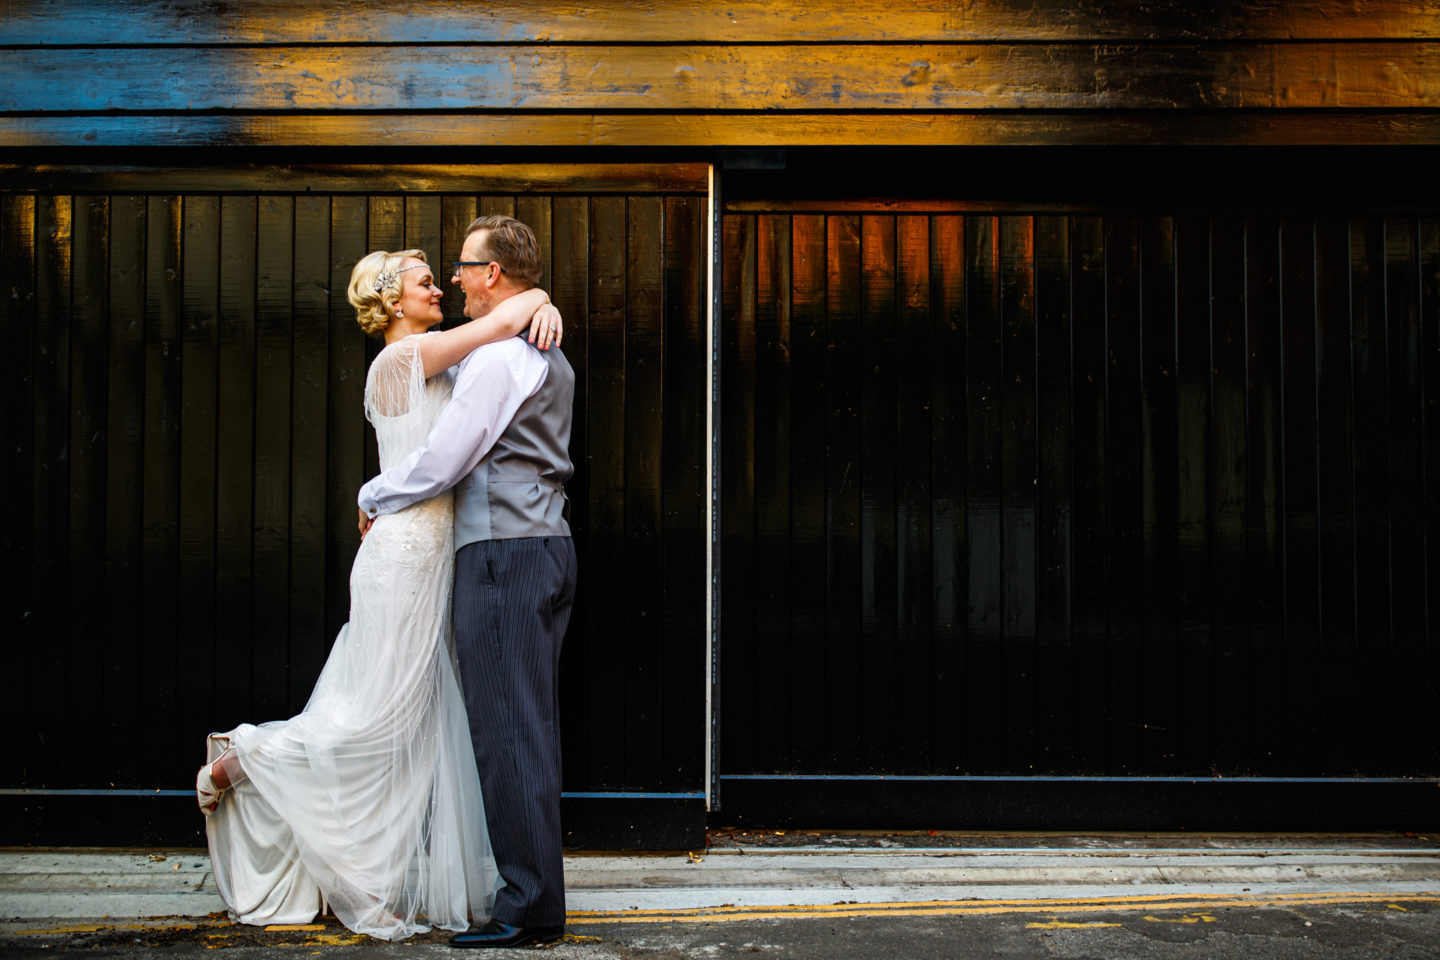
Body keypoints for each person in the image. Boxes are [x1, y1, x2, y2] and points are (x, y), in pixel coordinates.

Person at [195, 248, 563, 942]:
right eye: (427, 283)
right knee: (378, 719)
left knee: (411, 728)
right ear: (394, 302)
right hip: (402, 554)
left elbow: (505, 328)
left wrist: (540, 308)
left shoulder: (437, 356)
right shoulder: (400, 361)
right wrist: (539, 299)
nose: (439, 292)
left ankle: (362, 873)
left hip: (433, 556)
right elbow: (502, 319)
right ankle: (243, 761)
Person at [356, 215, 576, 950]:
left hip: (503, 554)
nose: (452, 277)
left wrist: (374, 496)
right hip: (544, 546)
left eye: (461, 266)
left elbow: (447, 459)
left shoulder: (495, 361)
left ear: (491, 276)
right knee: (530, 725)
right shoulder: (541, 346)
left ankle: (527, 905)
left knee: (508, 729)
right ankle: (534, 893)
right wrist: (536, 300)